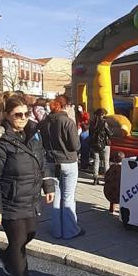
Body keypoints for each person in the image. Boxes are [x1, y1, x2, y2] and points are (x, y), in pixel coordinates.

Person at [0, 95, 55, 276]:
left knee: (29, 234)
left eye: (26, 113)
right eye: (17, 114)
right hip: (9, 199)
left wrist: (48, 185)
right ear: (6, 115)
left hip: (30, 198)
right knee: (17, 242)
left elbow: (42, 162)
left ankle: (5, 256)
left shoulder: (33, 134)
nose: (23, 118)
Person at [38, 95, 84, 240]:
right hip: (68, 161)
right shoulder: (68, 122)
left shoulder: (44, 122)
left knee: (56, 195)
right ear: (66, 106)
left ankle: (57, 230)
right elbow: (75, 145)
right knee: (68, 196)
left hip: (51, 161)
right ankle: (70, 230)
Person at [89, 108, 113, 185]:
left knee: (96, 161)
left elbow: (90, 134)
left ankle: (95, 178)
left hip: (95, 144)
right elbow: (110, 133)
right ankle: (107, 179)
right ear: (102, 115)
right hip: (105, 144)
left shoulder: (92, 123)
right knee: (106, 162)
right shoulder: (104, 122)